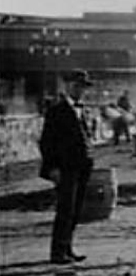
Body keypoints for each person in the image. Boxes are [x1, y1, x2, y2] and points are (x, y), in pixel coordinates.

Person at [38, 70, 96, 264]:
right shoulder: (56, 111)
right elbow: (46, 143)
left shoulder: (84, 110)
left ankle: (67, 247)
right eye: (75, 86)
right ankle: (57, 252)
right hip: (64, 169)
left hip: (82, 167)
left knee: (76, 210)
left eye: (82, 87)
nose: (79, 90)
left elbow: (86, 135)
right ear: (67, 87)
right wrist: (52, 168)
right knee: (65, 209)